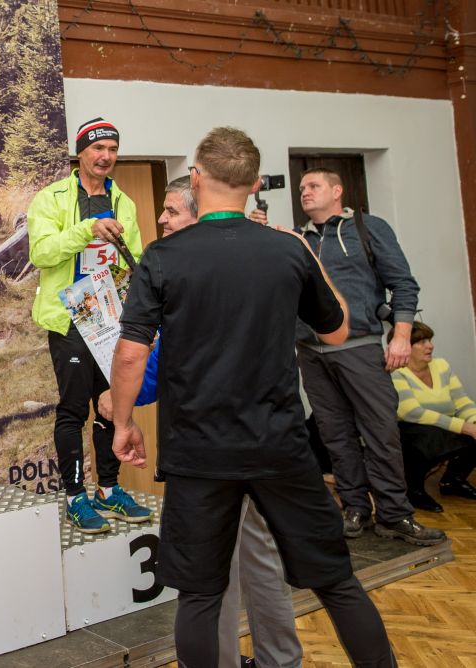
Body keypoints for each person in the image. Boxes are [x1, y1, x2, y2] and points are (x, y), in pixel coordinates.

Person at [109, 127, 396, 667]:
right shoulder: (287, 249)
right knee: (336, 581)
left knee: (199, 596)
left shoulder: (163, 257)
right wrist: (307, 257)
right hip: (279, 443)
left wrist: (123, 423)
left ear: (197, 178)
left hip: (198, 450)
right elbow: (338, 329)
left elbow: (130, 354)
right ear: (255, 183)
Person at [100, 176, 301, 668]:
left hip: (207, 450)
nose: (162, 219)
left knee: (209, 577)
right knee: (260, 559)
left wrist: (118, 402)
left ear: (201, 212)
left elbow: (160, 368)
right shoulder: (263, 257)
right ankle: (280, 660)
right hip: (268, 441)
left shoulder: (182, 272)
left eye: (171, 211)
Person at [296, 167, 445, 546]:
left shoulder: (367, 228)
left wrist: (402, 336)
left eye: (313, 186)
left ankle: (394, 515)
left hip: (359, 347)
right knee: (335, 436)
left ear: (337, 191)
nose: (305, 192)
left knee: (380, 433)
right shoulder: (298, 240)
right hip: (311, 354)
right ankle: (355, 509)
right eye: (301, 188)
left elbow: (403, 284)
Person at [27, 117, 150, 534]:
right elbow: (42, 253)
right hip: (69, 316)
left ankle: (108, 488)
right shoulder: (51, 198)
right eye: (98, 148)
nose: (106, 156)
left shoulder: (124, 201)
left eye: (113, 149)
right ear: (80, 152)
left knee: (113, 405)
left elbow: (134, 259)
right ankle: (75, 496)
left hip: (108, 316)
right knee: (74, 408)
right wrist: (87, 230)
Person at [391, 321, 476, 512]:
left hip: (444, 426)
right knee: (430, 436)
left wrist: (474, 421)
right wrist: (464, 427)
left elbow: (462, 401)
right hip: (410, 430)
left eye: (429, 340)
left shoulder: (441, 365)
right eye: (421, 342)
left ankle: (453, 481)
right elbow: (411, 412)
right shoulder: (396, 372)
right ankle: (413, 490)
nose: (430, 346)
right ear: (405, 347)